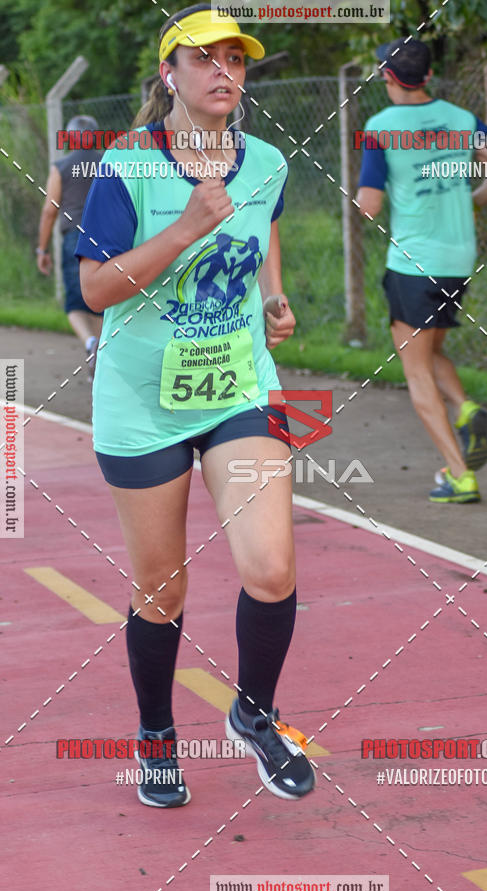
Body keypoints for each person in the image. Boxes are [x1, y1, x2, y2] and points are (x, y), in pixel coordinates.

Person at [76, 4, 315, 807]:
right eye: (206, 59)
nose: (225, 73)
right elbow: (97, 288)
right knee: (162, 590)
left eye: (237, 61)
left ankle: (253, 712)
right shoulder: (126, 164)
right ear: (169, 74)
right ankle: (155, 731)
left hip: (237, 388)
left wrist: (273, 296)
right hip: (142, 403)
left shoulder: (268, 162)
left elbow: (265, 230)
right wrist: (183, 228)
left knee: (272, 568)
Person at [357, 38, 487, 503]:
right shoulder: (461, 119)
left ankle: (459, 474)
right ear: (428, 76)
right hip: (457, 259)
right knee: (428, 352)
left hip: (413, 263)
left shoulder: (379, 127)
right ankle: (467, 409)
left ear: (387, 77)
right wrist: (469, 201)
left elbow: (368, 207)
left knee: (416, 373)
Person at [36, 116, 103, 374]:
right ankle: (99, 353)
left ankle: (90, 342)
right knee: (100, 300)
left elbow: (48, 211)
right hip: (106, 238)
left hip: (75, 238)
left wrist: (42, 250)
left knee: (75, 303)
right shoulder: (107, 162)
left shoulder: (61, 167)